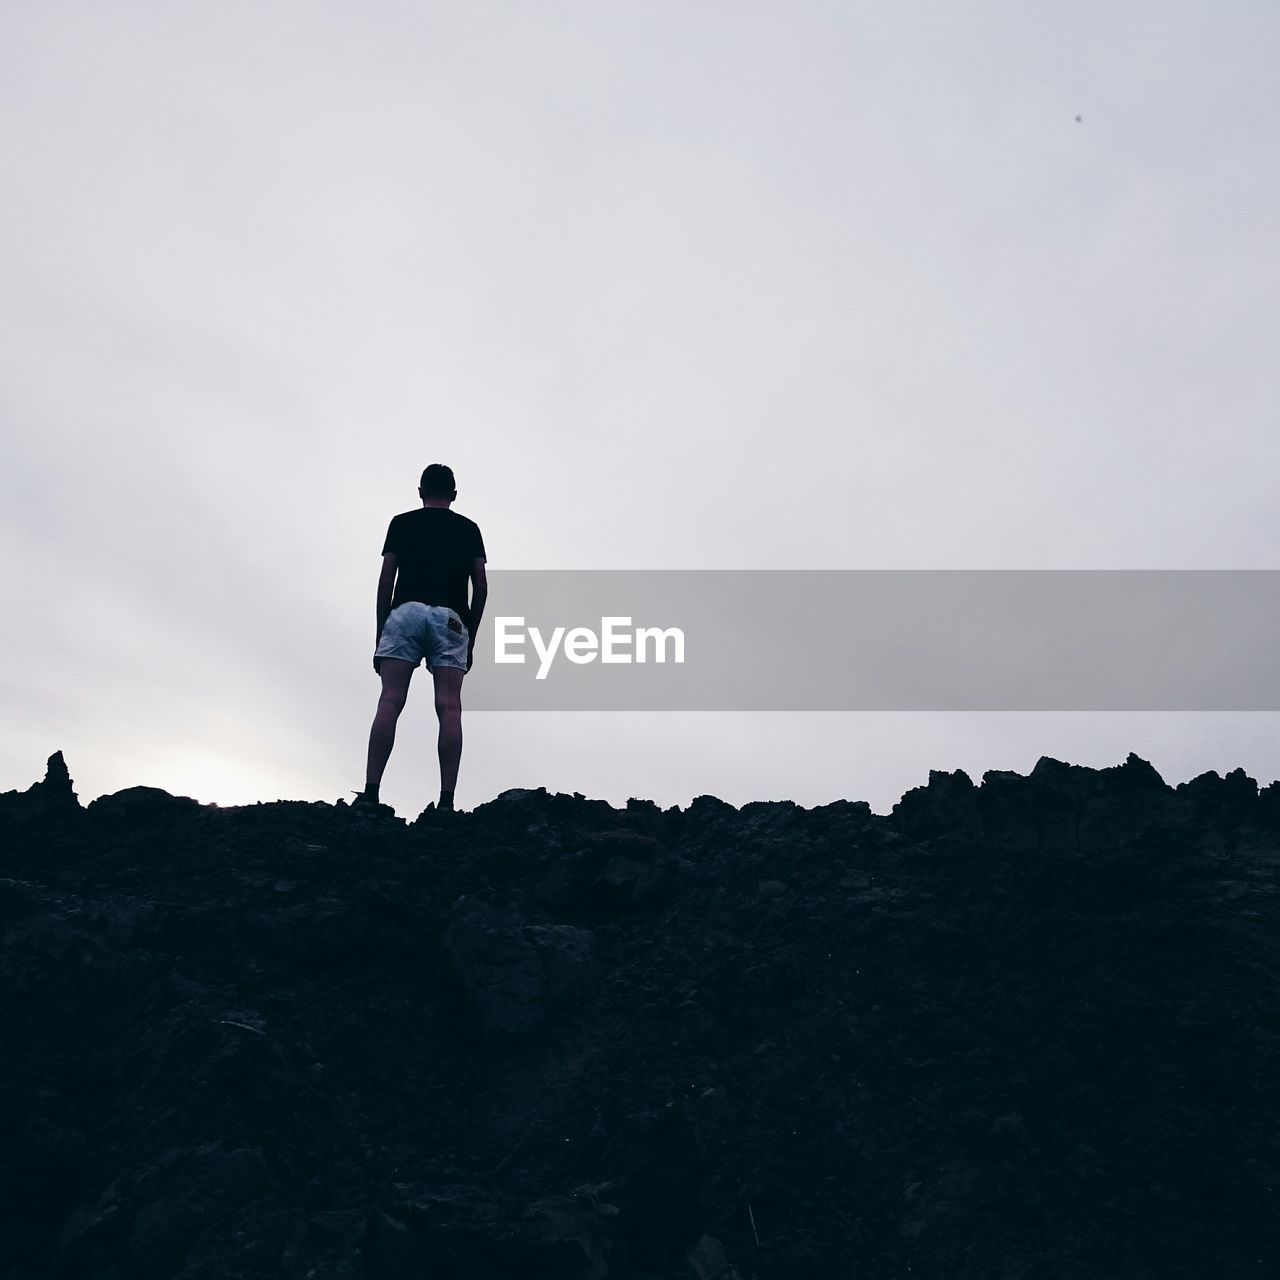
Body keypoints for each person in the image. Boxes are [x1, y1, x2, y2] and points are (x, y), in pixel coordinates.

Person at [353, 464, 487, 813]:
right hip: (450, 619)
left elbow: (385, 581)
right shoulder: (469, 529)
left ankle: (370, 792)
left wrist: (382, 630)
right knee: (449, 707)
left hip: (406, 613)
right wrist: (470, 637)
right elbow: (482, 586)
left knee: (390, 700)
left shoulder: (401, 523)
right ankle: (446, 801)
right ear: (454, 495)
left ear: (420, 491)